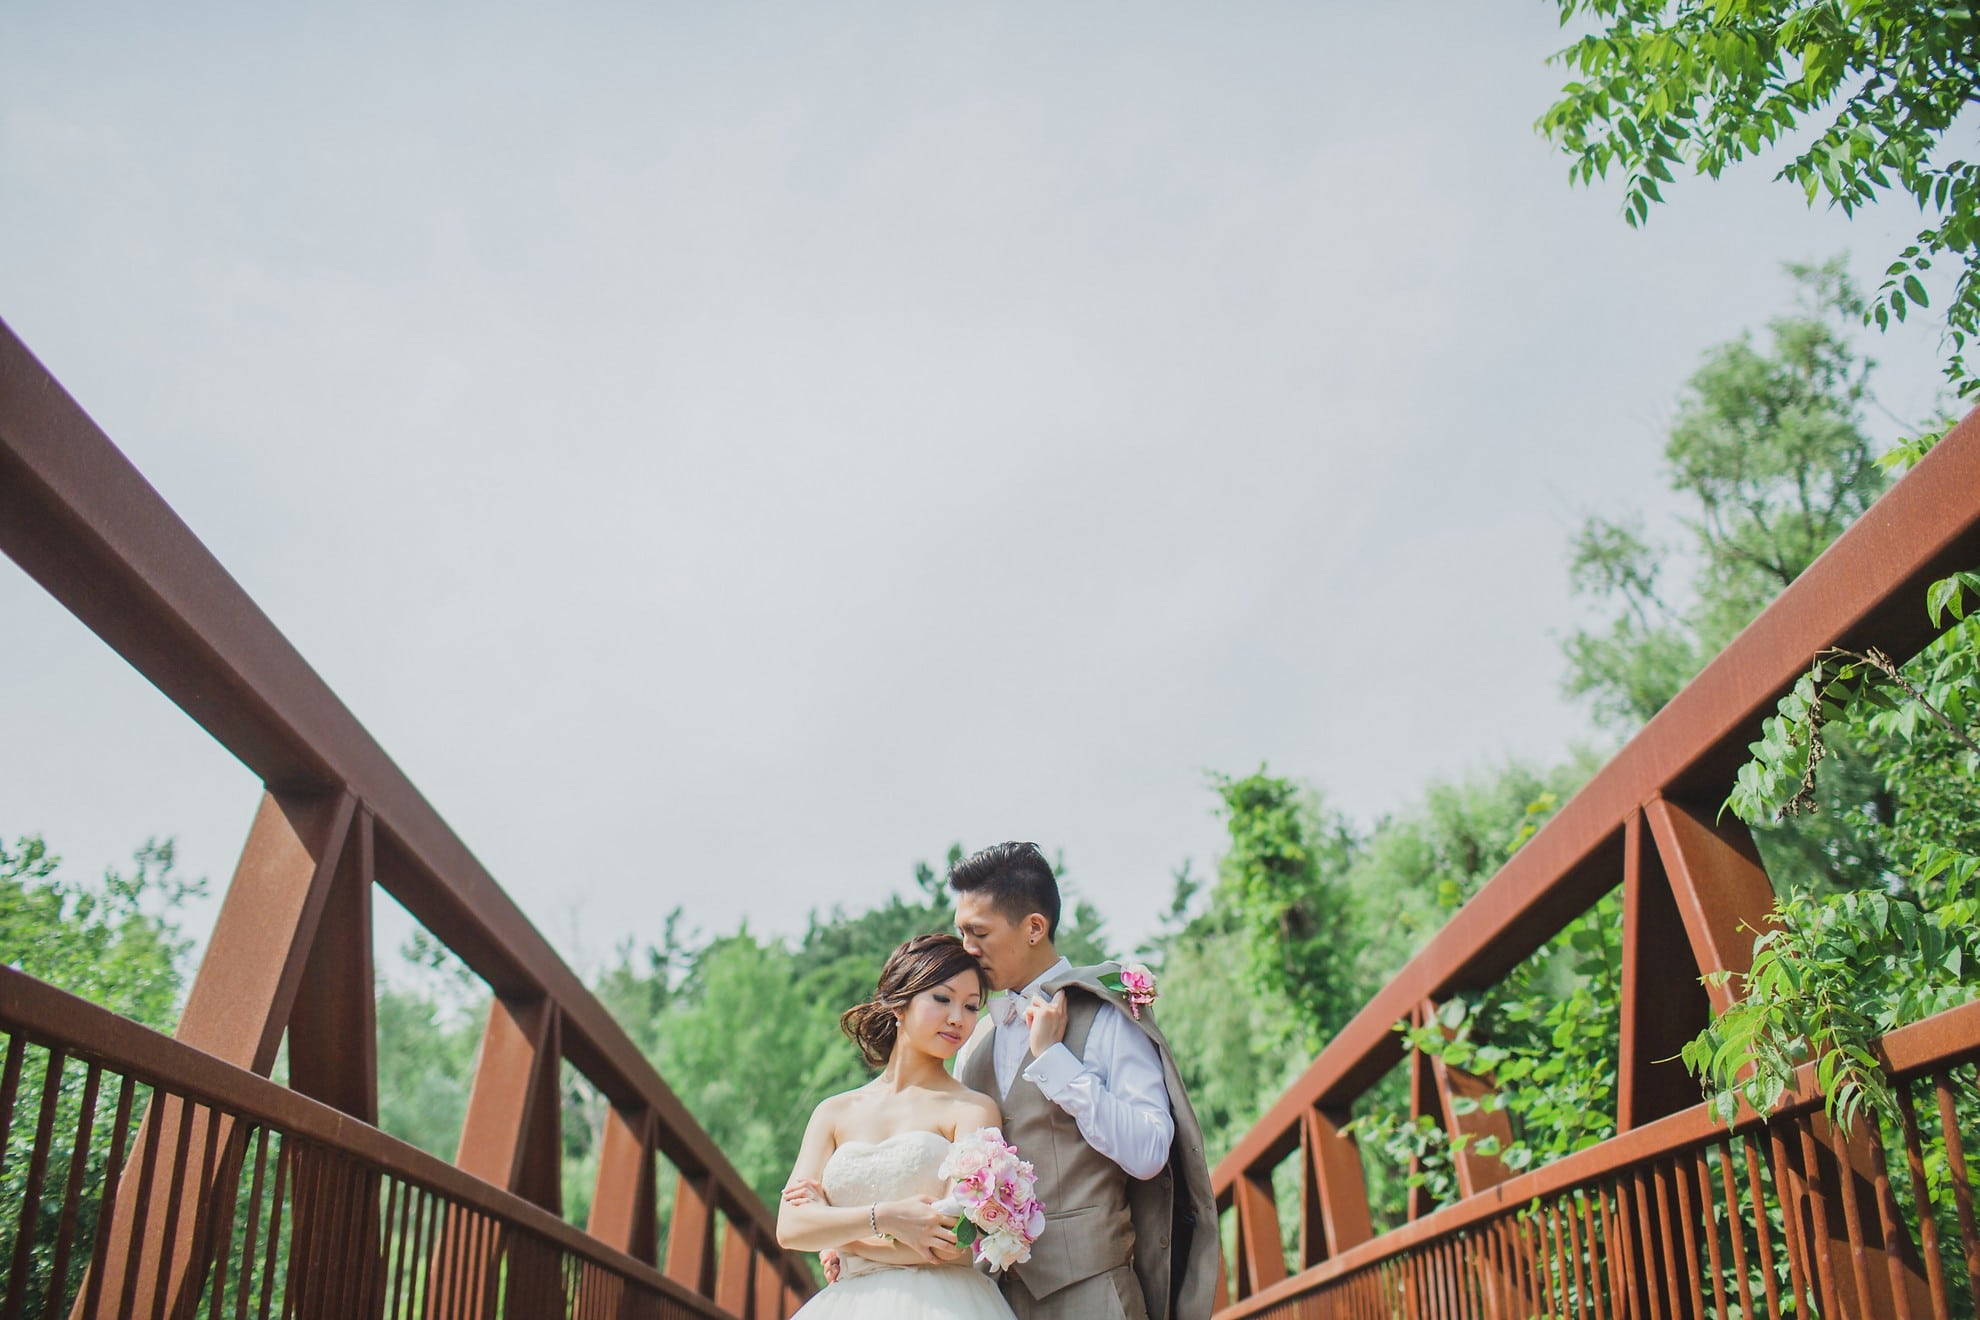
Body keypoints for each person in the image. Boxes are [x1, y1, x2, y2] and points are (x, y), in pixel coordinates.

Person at [950, 842, 1217, 1320]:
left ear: (1035, 927)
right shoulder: (972, 1034)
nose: (966, 950)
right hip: (989, 1299)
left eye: (979, 933)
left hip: (1093, 1293)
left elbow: (1150, 1152)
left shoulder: (1106, 1014)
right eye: (961, 933)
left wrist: (1055, 1062)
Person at [776, 933, 1018, 1320]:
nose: (958, 1018)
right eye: (942, 999)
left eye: (971, 1007)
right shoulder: (833, 1113)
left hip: (946, 1305)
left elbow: (953, 1242)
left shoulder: (971, 1109)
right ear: (898, 1003)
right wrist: (884, 1218)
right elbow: (790, 1227)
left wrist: (843, 1240)